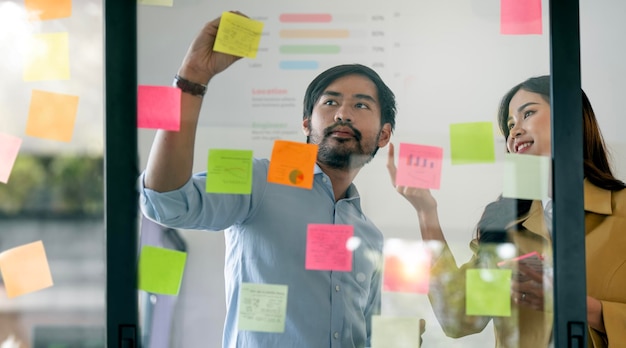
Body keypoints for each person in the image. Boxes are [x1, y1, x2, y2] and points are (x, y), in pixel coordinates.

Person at [139, 11, 397, 348]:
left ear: (384, 134)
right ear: (306, 125)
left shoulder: (369, 236)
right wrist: (192, 77)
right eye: (330, 102)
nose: (342, 113)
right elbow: (166, 203)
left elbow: (367, 338)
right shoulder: (258, 177)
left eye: (361, 105)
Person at [387, 75, 626, 347]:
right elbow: (458, 318)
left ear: (569, 116)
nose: (515, 131)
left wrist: (582, 307)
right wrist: (426, 213)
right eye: (510, 124)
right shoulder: (506, 223)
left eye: (528, 113)